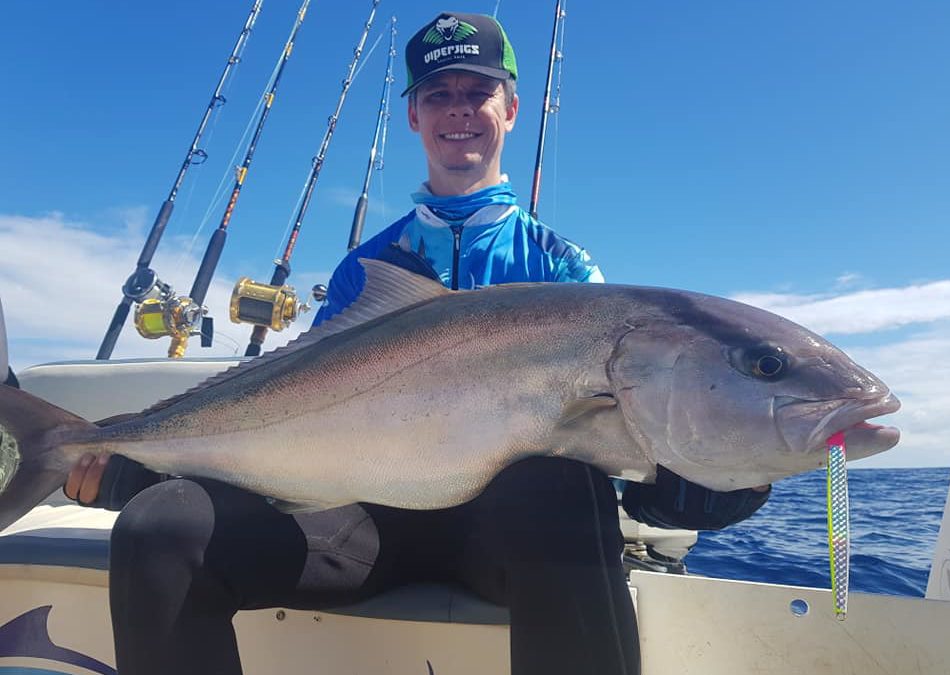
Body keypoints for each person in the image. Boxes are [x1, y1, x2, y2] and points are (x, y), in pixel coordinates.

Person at [65, 12, 769, 675]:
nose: (459, 108)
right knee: (159, 526)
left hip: (512, 536)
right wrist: (149, 461)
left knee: (561, 482)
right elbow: (301, 410)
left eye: (478, 91)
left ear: (511, 110)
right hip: (365, 527)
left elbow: (617, 435)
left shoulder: (564, 270)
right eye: (439, 94)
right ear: (414, 115)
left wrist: (677, 484)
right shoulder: (366, 269)